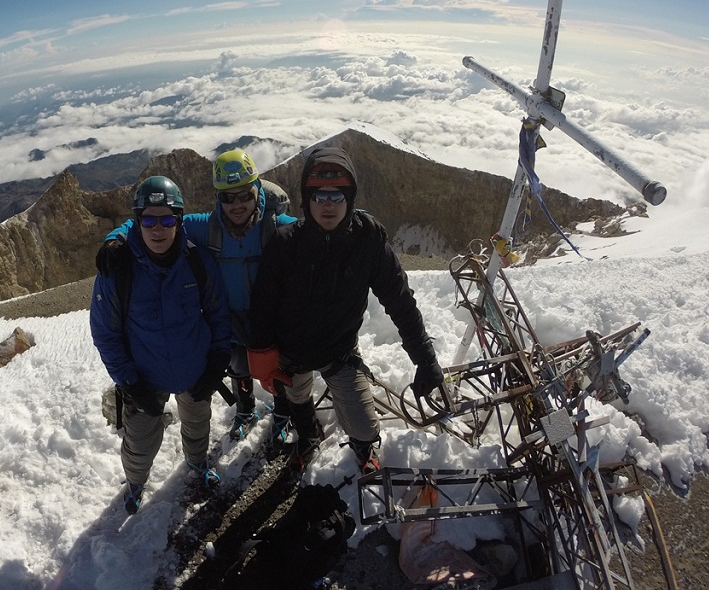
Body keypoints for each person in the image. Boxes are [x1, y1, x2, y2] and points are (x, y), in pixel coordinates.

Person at [247, 146, 445, 474]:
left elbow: (399, 300)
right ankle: (309, 435)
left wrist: (425, 359)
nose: (328, 205)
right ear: (306, 199)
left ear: (350, 198)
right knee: (297, 396)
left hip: (339, 350)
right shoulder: (285, 245)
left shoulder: (367, 241)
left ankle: (363, 446)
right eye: (319, 195)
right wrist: (264, 356)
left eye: (337, 196)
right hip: (291, 352)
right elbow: (264, 305)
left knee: (365, 425)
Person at [97, 149, 297, 445]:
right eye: (228, 197)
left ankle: (282, 414)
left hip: (268, 320)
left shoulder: (276, 225)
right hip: (231, 323)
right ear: (219, 198)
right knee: (239, 369)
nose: (237, 204)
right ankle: (245, 411)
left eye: (244, 194)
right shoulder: (207, 226)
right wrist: (116, 238)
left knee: (273, 368)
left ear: (257, 189)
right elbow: (157, 220)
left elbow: (311, 234)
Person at [90, 176, 233, 514]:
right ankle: (135, 480)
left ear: (179, 221)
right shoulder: (118, 268)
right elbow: (105, 332)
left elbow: (217, 311)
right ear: (136, 221)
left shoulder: (196, 260)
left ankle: (197, 463)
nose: (158, 228)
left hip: (194, 368)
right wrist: (129, 381)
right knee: (139, 441)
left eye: (167, 219)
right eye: (148, 219)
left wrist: (217, 359)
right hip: (144, 377)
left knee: (198, 424)